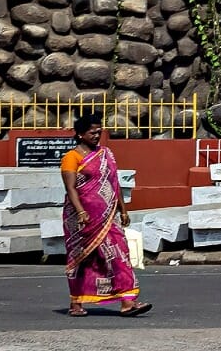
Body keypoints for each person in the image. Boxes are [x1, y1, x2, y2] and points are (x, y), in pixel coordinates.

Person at [59, 108, 150, 318]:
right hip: (82, 219)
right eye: (92, 133)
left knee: (120, 255)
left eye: (99, 132)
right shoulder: (71, 158)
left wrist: (123, 210)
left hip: (108, 216)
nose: (96, 136)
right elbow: (71, 188)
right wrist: (81, 212)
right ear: (80, 134)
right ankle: (76, 303)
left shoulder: (106, 154)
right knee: (82, 260)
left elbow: (114, 183)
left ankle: (128, 301)